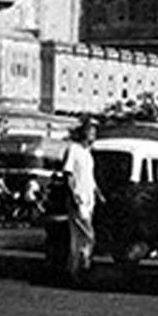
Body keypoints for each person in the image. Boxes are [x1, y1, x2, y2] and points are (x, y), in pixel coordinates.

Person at [61, 118, 102, 284]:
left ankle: (74, 270)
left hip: (89, 198)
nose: (93, 135)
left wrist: (98, 193)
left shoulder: (88, 153)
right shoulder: (73, 150)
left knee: (78, 238)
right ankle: (84, 265)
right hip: (78, 198)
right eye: (91, 132)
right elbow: (68, 174)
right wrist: (73, 195)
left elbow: (90, 178)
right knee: (88, 234)